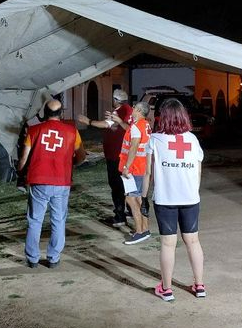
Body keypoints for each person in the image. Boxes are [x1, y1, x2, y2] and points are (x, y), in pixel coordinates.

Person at [142, 98, 206, 302]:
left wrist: (143, 197)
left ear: (163, 117)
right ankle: (199, 286)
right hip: (190, 198)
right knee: (193, 241)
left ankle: (167, 289)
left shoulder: (154, 140)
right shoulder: (192, 140)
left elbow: (147, 173)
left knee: (168, 244)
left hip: (165, 199)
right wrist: (192, 192)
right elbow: (198, 170)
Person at [18, 99, 86, 268]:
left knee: (35, 220)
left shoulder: (34, 130)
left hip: (39, 181)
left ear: (45, 114)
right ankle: (53, 257)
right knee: (58, 220)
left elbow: (24, 159)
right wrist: (73, 164)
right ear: (61, 113)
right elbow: (82, 155)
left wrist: (20, 171)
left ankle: (32, 258)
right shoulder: (72, 131)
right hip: (62, 181)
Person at [77, 89, 133, 227]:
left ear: (116, 100)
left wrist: (88, 121)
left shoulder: (120, 111)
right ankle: (133, 211)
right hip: (125, 154)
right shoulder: (129, 110)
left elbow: (106, 124)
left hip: (116, 154)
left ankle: (120, 216)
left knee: (117, 185)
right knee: (128, 184)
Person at [119, 101, 151, 244]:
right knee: (139, 198)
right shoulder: (145, 124)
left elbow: (133, 147)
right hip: (142, 166)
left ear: (138, 110)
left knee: (131, 198)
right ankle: (145, 228)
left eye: (134, 108)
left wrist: (127, 166)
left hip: (134, 168)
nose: (132, 109)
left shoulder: (137, 126)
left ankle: (139, 232)